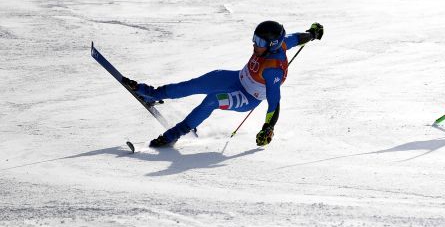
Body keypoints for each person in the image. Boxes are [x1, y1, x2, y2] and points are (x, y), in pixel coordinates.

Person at [124, 21, 324, 148]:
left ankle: (175, 133)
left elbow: (274, 103)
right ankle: (152, 93)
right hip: (236, 78)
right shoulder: (280, 43)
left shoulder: (273, 70)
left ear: (271, 46)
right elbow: (298, 38)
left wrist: (267, 128)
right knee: (196, 84)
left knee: (212, 100)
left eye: (260, 42)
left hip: (246, 98)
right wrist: (313, 34)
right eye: (255, 39)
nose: (254, 44)